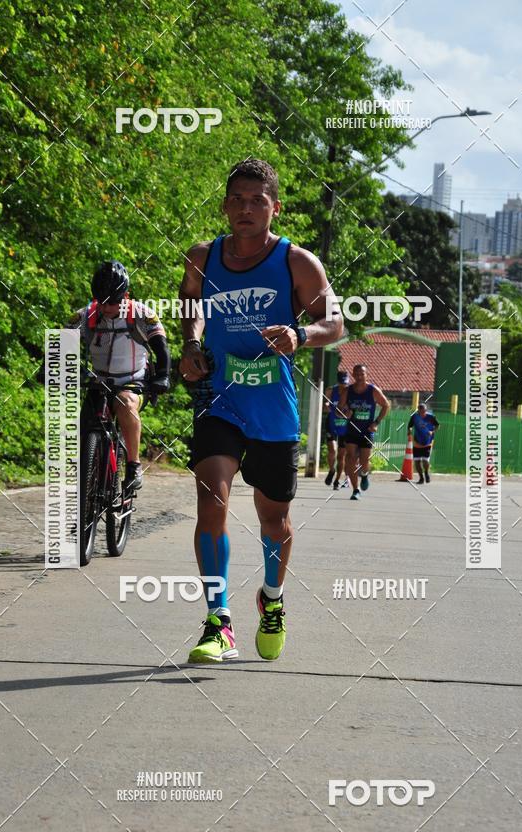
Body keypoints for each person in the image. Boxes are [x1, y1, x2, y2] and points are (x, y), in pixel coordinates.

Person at [179, 158, 343, 664]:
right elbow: (190, 302)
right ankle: (218, 621)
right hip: (220, 400)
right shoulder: (203, 257)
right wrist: (191, 344)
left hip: (273, 408)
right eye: (237, 199)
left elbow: (335, 323)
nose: (245, 209)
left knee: (274, 520)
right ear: (225, 206)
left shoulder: (297, 263)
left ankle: (272, 598)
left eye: (257, 200)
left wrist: (301, 334)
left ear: (275, 207)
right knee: (212, 501)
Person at [70, 260, 171, 490]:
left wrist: (163, 376)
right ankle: (86, 482)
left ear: (125, 295)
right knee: (83, 430)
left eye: (113, 302)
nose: (107, 308)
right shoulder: (86, 315)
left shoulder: (141, 314)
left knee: (125, 403)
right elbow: (61, 344)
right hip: (99, 381)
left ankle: (134, 465)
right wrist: (49, 368)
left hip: (132, 380)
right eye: (101, 301)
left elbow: (162, 349)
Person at [343, 363, 390, 501]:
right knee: (350, 459)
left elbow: (386, 405)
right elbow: (339, 408)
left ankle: (364, 474)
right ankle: (356, 490)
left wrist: (376, 422)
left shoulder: (373, 390)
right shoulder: (348, 391)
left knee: (364, 461)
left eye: (362, 374)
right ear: (353, 375)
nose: (359, 377)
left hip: (367, 431)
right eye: (356, 374)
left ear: (366, 375)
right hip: (352, 430)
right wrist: (345, 412)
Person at [323, 370, 350, 490]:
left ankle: (337, 480)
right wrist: (327, 407)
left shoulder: (351, 392)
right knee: (332, 450)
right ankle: (331, 470)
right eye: (341, 384)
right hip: (332, 424)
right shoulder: (330, 390)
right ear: (338, 382)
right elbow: (325, 406)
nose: (343, 386)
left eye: (345, 384)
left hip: (345, 426)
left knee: (341, 455)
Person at [408, 403, 440, 484]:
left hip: (427, 442)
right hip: (417, 442)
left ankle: (426, 473)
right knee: (417, 461)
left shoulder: (431, 417)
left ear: (426, 410)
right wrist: (409, 431)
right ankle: (421, 478)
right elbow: (410, 426)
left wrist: (432, 432)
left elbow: (437, 425)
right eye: (420, 412)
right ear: (418, 411)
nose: (422, 413)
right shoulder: (415, 417)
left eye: (424, 411)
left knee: (425, 461)